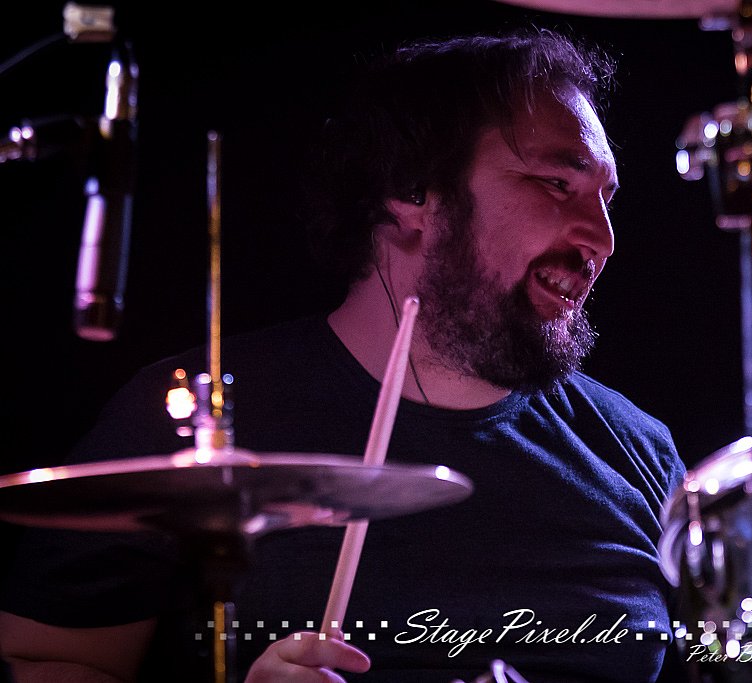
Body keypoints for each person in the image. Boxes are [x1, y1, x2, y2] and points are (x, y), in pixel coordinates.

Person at [0, 28, 687, 682]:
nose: (601, 238)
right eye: (557, 184)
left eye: (606, 198)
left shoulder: (639, 454)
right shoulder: (193, 422)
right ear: (412, 192)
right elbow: (39, 662)